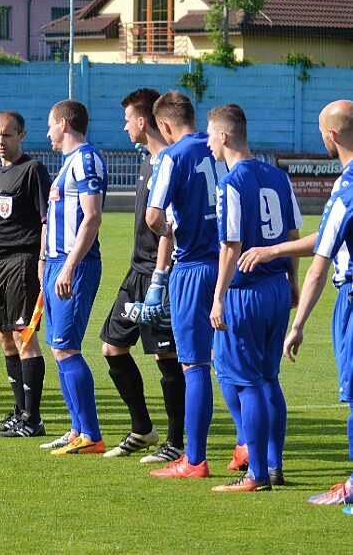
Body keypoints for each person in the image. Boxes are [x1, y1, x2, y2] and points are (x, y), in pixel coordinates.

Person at [206, 103, 301, 492]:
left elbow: (231, 246)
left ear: (224, 136)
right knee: (268, 378)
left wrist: (218, 297)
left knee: (250, 384)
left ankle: (257, 474)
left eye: (211, 135)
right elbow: (293, 235)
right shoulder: (279, 176)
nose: (208, 143)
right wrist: (292, 281)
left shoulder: (231, 183)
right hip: (278, 286)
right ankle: (273, 466)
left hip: (246, 293)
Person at [98, 89, 185, 463]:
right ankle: (143, 429)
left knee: (168, 357)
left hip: (159, 274)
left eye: (128, 119)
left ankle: (177, 442)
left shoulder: (169, 161)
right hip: (136, 271)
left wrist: (162, 278)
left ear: (143, 121)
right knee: (112, 346)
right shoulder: (149, 161)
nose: (124, 126)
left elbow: (171, 227)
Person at [146, 91, 227, 479]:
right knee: (232, 364)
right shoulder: (221, 146)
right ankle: (246, 446)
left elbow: (152, 216)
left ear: (163, 125)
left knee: (194, 365)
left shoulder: (171, 157)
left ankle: (194, 459)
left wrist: (170, 232)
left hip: (194, 267)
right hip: (233, 264)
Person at [276, 99, 353, 507]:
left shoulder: (347, 186)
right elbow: (325, 237)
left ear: (332, 135)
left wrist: (298, 323)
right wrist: (273, 251)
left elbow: (320, 266)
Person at [37, 99, 108, 455]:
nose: (47, 132)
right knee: (57, 348)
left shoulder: (86, 159)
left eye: (50, 124)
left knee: (67, 347)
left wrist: (68, 266)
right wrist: (44, 260)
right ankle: (78, 428)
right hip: (55, 263)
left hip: (73, 264)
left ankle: (91, 434)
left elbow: (92, 217)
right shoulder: (67, 164)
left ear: (63, 124)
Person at [0, 110, 51, 438]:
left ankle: (34, 418)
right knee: (5, 337)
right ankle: (20, 410)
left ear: (21, 135)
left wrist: (40, 261)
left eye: (7, 135)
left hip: (24, 262)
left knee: (25, 337)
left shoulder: (33, 170)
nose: (1, 141)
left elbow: (45, 221)